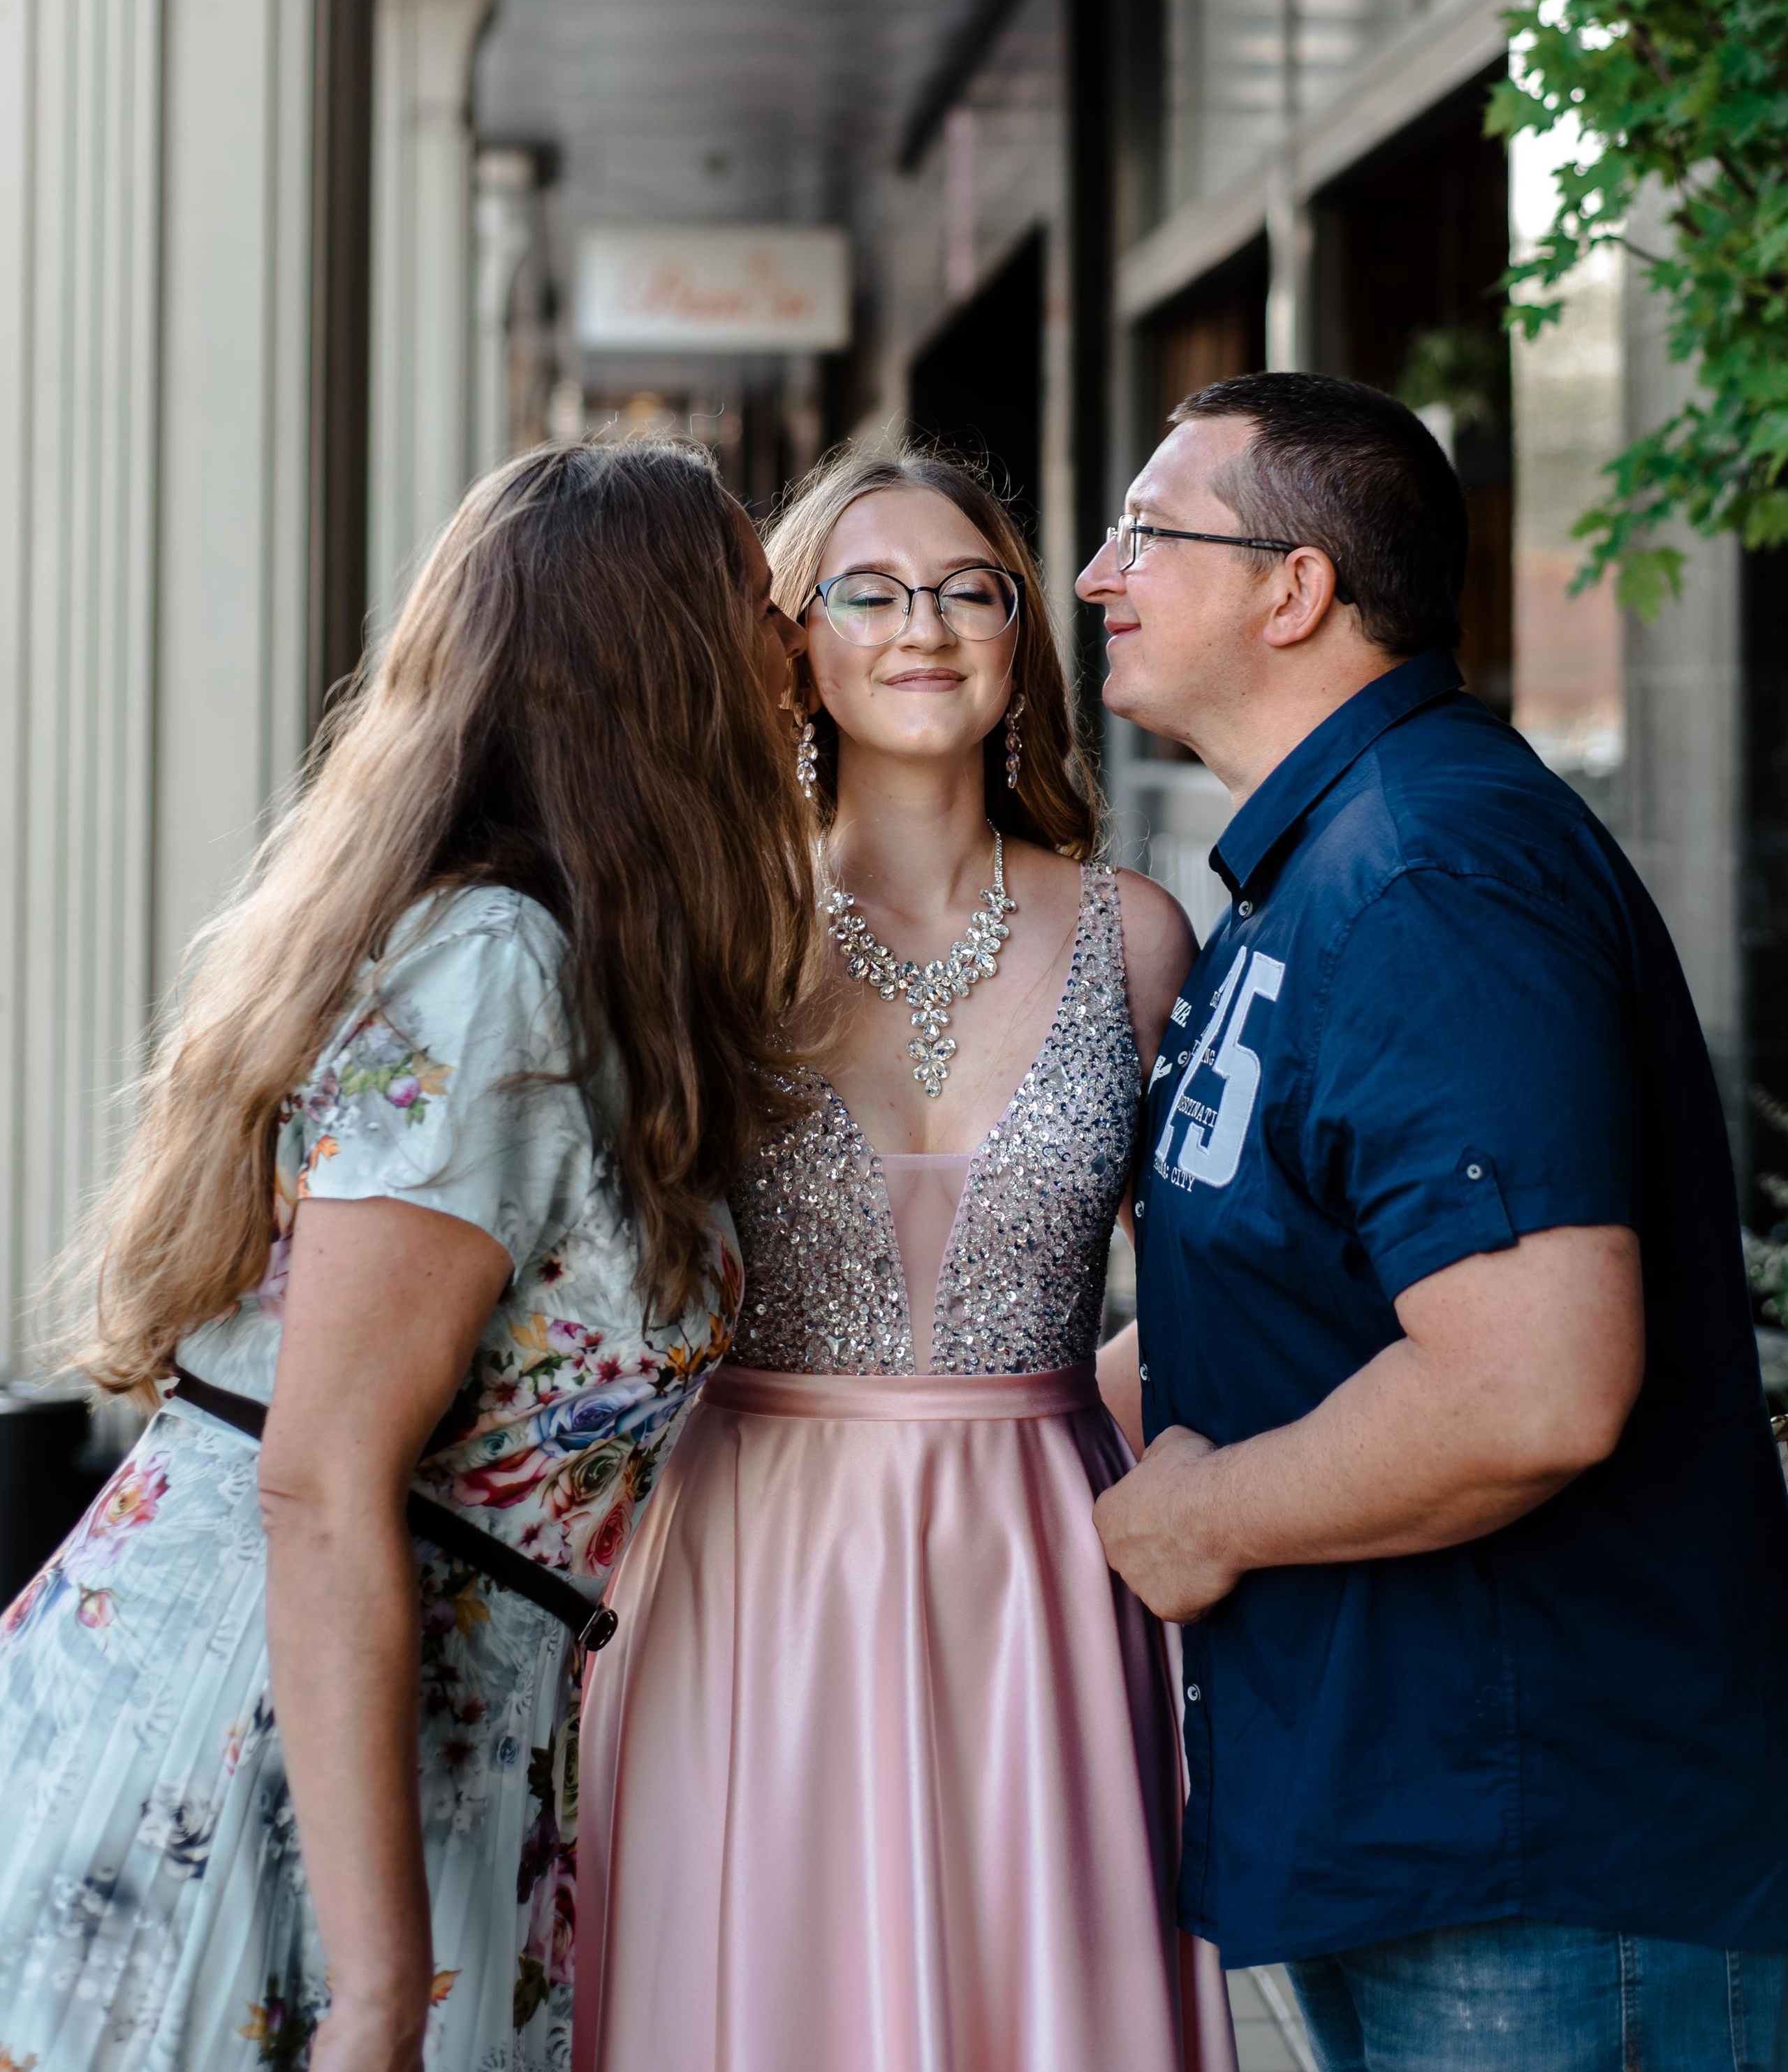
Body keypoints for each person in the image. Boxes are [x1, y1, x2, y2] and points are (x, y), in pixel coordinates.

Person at [0, 439, 814, 2072]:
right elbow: (318, 1481)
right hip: (248, 1752)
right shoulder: (496, 973)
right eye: (754, 595)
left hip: (406, 1750)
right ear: (654, 654)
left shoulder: (574, 969)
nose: (790, 638)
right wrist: (376, 1993)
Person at [1078, 371, 1788, 2072]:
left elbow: (1525, 1385)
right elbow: (1313, 1274)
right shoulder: (1325, 862)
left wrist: (1208, 1516)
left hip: (1538, 1862)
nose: (1097, 573)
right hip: (1412, 1834)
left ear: (1292, 589)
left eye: (1143, 532)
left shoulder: (1425, 871)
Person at [575, 447, 1238, 2072]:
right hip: (749, 1572)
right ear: (790, 642)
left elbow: (1239, 1282)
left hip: (1045, 1579)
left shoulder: (1137, 936)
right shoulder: (706, 936)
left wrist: (1058, 1427)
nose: (921, 625)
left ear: (1020, 636)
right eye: (864, 591)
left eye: (968, 588)